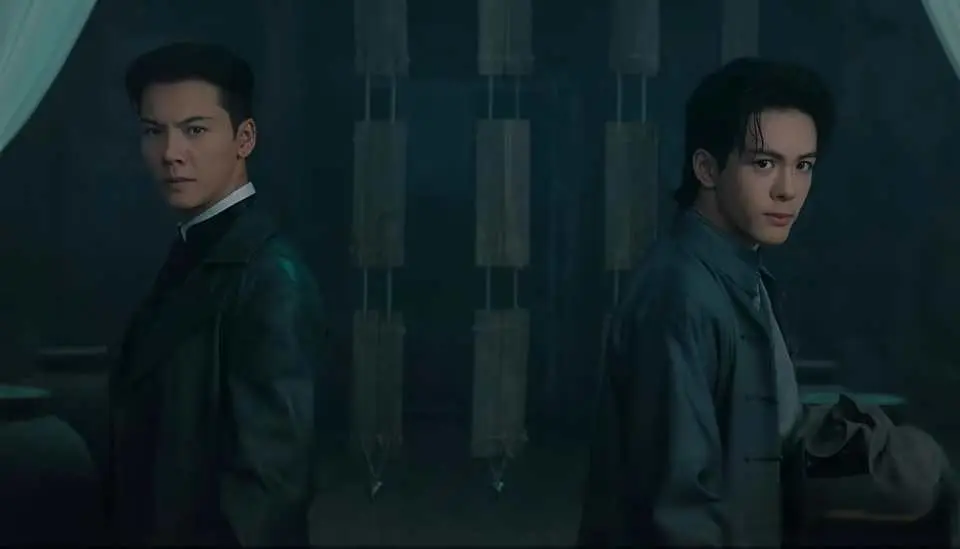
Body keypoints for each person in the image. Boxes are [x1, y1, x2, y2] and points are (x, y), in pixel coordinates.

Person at [578, 57, 836, 546]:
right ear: (707, 168)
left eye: (803, 166)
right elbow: (676, 507)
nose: (788, 190)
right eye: (764, 163)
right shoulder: (680, 294)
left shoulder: (742, 276)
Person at [106, 42, 325, 546]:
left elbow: (269, 491)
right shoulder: (194, 254)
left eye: (195, 130)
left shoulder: (269, 279)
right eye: (153, 131)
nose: (170, 153)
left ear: (244, 138)